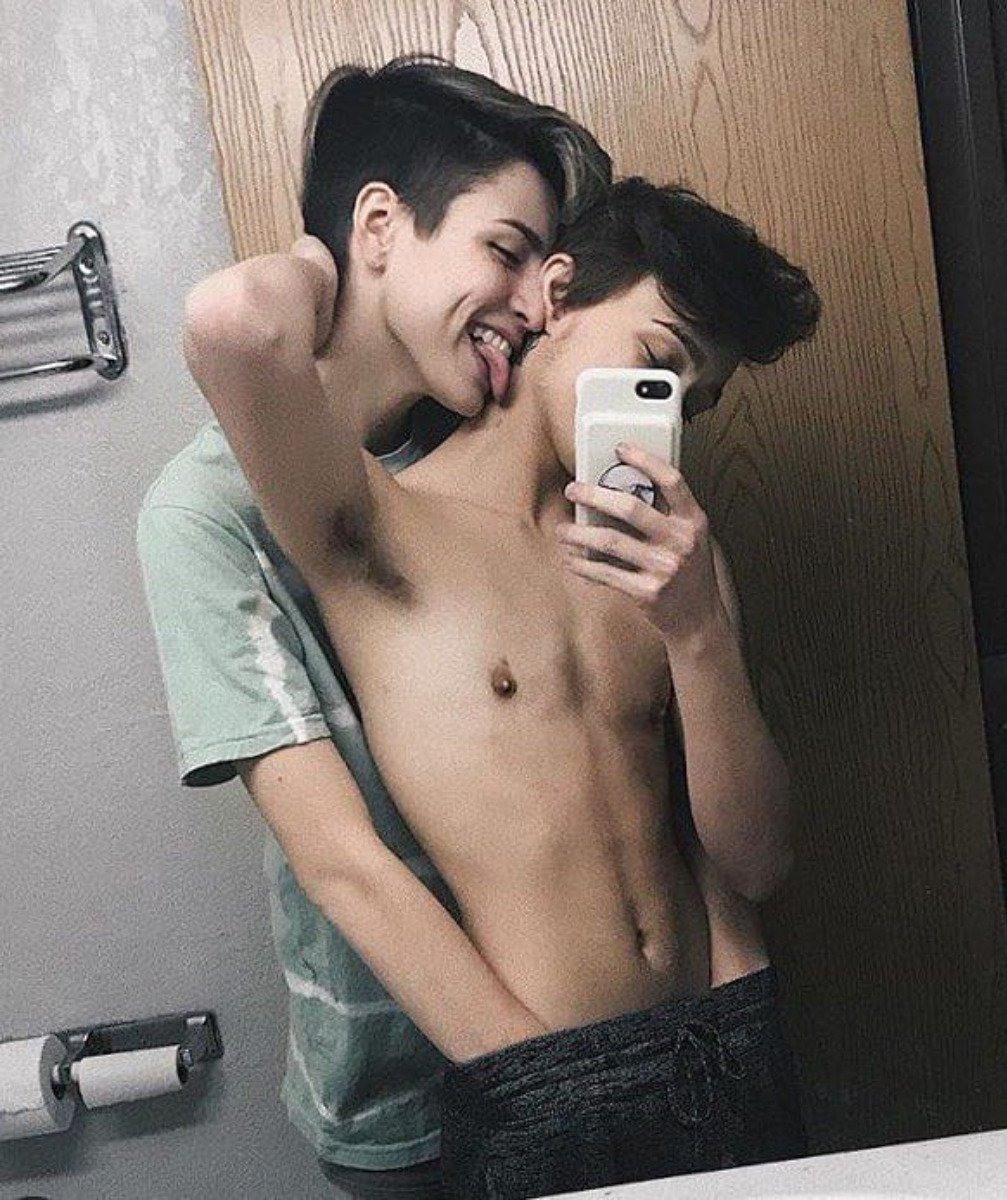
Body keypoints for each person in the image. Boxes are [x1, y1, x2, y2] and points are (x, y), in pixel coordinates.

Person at [182, 175, 821, 1198]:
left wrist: (699, 631)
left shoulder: (673, 561)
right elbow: (232, 324)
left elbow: (756, 862)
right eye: (656, 366)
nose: (669, 417)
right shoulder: (381, 532)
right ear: (556, 297)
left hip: (728, 1043)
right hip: (537, 1077)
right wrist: (331, 256)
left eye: (693, 402)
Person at [136, 55, 609, 1198]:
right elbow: (345, 866)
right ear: (383, 225)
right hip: (410, 1105)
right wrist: (563, 1102)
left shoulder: (494, 450)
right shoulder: (203, 515)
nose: (525, 303)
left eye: (541, 269)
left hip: (594, 1030)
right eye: (503, 250)